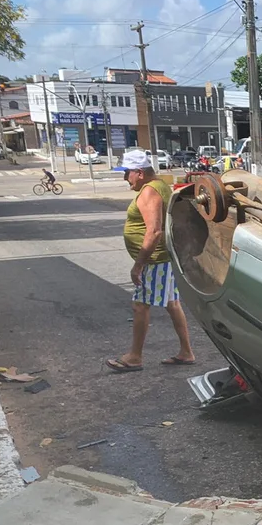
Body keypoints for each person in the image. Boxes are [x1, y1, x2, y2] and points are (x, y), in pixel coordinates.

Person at [106, 149, 195, 373]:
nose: (125, 178)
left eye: (127, 173)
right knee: (172, 304)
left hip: (155, 260)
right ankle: (186, 352)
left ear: (140, 173)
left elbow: (154, 231)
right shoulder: (159, 186)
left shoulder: (149, 192)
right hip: (162, 259)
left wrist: (139, 264)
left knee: (140, 305)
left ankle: (135, 357)